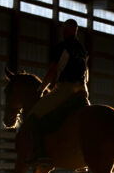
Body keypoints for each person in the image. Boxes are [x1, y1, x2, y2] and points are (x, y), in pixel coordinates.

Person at [25, 19, 89, 164]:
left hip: (65, 89)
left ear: (69, 30)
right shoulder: (83, 50)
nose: (63, 31)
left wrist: (41, 89)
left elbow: (52, 71)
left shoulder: (63, 47)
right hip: (82, 91)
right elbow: (86, 75)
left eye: (64, 29)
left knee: (33, 114)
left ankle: (40, 153)